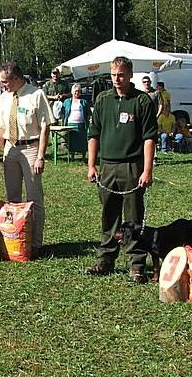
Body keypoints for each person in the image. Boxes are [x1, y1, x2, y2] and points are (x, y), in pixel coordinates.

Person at [85, 56, 158, 284]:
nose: (117, 79)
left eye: (122, 75)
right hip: (107, 166)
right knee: (109, 215)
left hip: (132, 166)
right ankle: (105, 259)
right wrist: (91, 165)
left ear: (130, 75)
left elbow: (149, 139)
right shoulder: (103, 99)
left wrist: (147, 170)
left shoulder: (142, 101)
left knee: (133, 217)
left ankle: (137, 264)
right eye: (114, 74)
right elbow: (93, 135)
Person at [0, 62, 53, 259]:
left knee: (34, 198)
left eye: (4, 82)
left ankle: (35, 243)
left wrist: (41, 156)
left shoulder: (36, 94)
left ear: (16, 78)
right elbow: (0, 127)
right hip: (11, 148)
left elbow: (45, 127)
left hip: (31, 148)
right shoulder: (3, 97)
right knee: (12, 199)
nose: (2, 85)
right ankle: (15, 240)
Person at [61, 83, 91, 160]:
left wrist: (88, 120)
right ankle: (72, 156)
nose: (76, 93)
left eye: (78, 91)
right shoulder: (67, 101)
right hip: (70, 124)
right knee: (71, 141)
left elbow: (88, 113)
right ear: (72, 92)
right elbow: (63, 113)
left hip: (81, 124)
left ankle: (84, 156)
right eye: (75, 91)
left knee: (82, 140)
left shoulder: (84, 102)